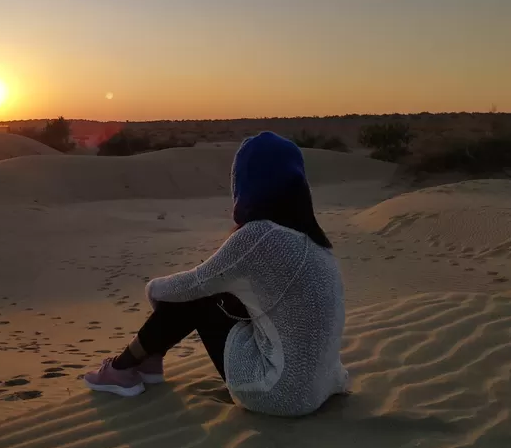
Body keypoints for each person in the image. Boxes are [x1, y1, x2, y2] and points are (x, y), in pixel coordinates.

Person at [84, 131, 350, 417]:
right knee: (219, 292)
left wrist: (153, 291)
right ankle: (150, 357)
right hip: (323, 387)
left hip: (277, 393)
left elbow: (193, 285)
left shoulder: (260, 236)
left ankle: (122, 368)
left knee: (198, 295)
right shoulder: (317, 244)